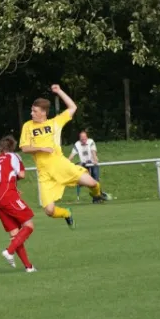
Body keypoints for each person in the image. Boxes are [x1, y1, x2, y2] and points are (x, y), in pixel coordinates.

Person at [19, 84, 108, 229]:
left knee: (92, 183)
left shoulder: (55, 123)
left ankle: (97, 195)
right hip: (45, 174)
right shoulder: (28, 126)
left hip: (61, 165)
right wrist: (40, 148)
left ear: (43, 112)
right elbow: (24, 147)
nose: (31, 113)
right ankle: (67, 213)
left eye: (34, 111)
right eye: (31, 110)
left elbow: (73, 107)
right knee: (49, 211)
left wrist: (59, 91)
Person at [0, 135, 37, 272]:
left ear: (0, 149)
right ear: (12, 147)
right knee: (29, 225)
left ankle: (29, 267)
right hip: (8, 196)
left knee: (15, 234)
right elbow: (21, 174)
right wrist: (11, 187)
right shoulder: (13, 157)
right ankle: (9, 251)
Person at [68, 131, 110, 202]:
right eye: (82, 139)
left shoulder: (91, 141)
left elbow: (93, 151)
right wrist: (67, 162)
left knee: (95, 180)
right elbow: (72, 155)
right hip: (84, 164)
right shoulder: (77, 144)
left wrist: (95, 159)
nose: (84, 140)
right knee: (87, 181)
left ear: (87, 137)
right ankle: (99, 195)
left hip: (93, 163)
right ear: (79, 139)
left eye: (85, 138)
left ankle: (97, 197)